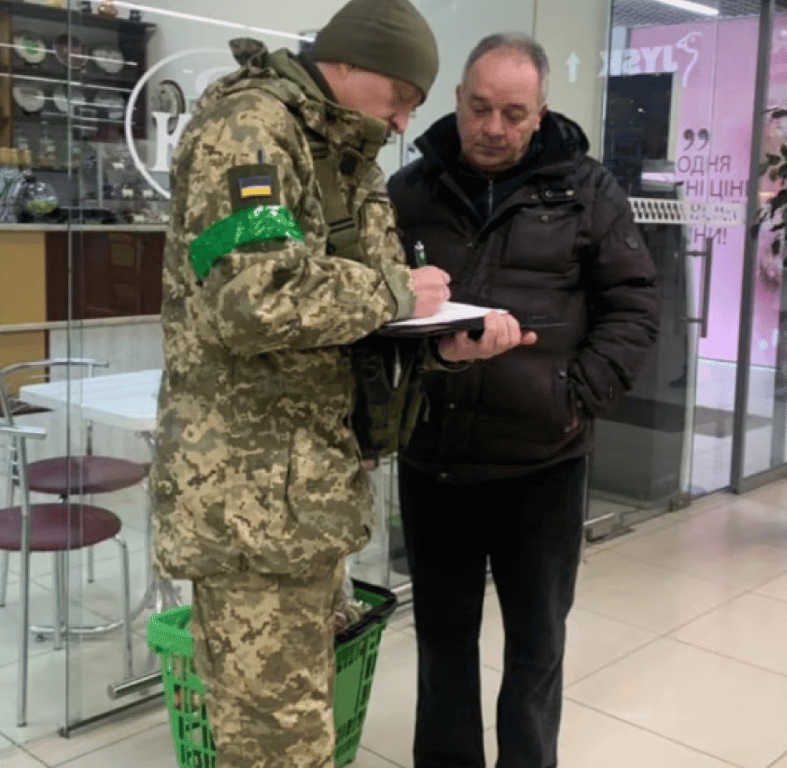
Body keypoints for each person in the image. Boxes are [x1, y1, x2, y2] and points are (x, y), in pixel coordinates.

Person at [148, 4, 535, 767]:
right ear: (351, 63)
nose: (401, 122)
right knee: (276, 749)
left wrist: (439, 345)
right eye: (399, 97)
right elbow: (251, 298)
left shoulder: (344, 153)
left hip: (308, 495)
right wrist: (396, 293)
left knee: (302, 733)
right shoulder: (249, 130)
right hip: (248, 505)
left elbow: (352, 320)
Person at [388, 33, 660, 768]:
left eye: (513, 113)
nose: (493, 128)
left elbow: (634, 307)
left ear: (540, 112)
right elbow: (377, 314)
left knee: (537, 645)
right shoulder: (408, 191)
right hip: (435, 458)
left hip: (545, 460)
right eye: (480, 108)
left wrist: (572, 399)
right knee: (443, 643)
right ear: (458, 100)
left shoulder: (588, 191)